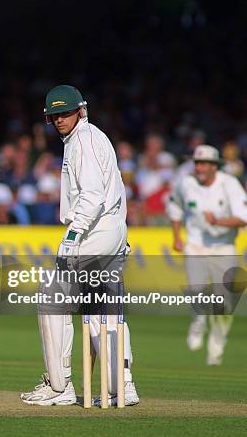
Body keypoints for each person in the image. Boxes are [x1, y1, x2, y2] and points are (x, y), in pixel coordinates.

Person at [20, 85, 139, 406]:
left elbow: (92, 195)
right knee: (101, 308)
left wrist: (74, 237)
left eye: (65, 113)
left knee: (53, 299)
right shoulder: (89, 138)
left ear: (80, 111)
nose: (60, 119)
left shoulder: (83, 141)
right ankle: (122, 387)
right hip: (109, 232)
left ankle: (60, 387)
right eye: (54, 115)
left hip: (93, 234)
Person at [167, 145, 247, 365]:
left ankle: (216, 348)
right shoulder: (186, 183)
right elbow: (174, 206)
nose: (199, 167)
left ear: (214, 166)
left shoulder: (229, 184)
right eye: (196, 163)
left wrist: (218, 221)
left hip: (224, 247)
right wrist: (176, 236)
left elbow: (243, 217)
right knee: (197, 292)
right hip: (195, 246)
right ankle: (198, 322)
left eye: (204, 163)